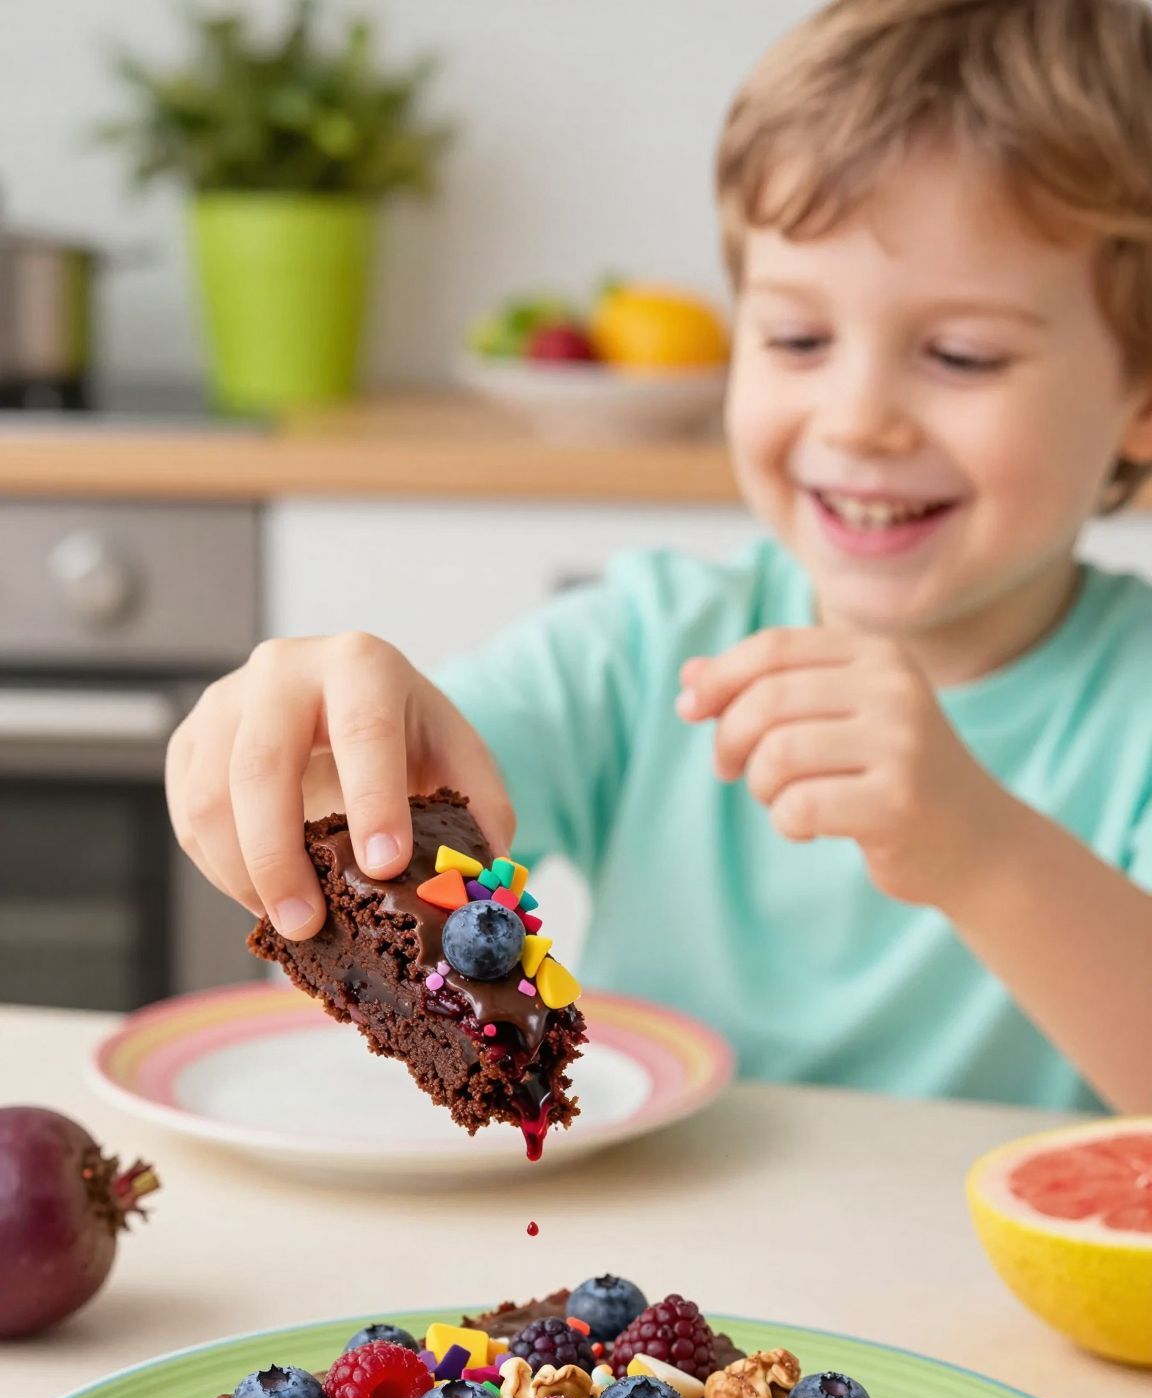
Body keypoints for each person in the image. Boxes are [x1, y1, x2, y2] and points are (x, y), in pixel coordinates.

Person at [166, 0, 1152, 1113]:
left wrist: (981, 850)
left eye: (962, 354)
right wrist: (290, 752)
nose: (858, 416)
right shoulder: (644, 650)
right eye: (796, 338)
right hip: (664, 1275)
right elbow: (393, 807)